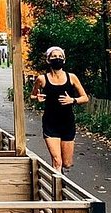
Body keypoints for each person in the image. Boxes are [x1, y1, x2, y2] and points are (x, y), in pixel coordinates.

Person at [31, 45, 88, 174]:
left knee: (67, 163)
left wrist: (72, 100)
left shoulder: (72, 77)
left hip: (67, 123)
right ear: (48, 60)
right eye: (54, 57)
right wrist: (37, 97)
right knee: (57, 161)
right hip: (50, 123)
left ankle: (62, 176)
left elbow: (85, 98)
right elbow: (32, 95)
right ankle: (57, 191)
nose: (57, 59)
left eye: (60, 57)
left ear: (64, 60)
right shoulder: (42, 79)